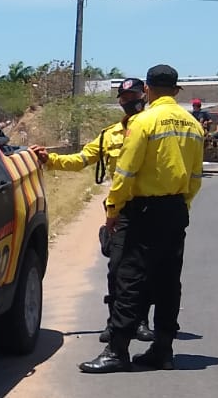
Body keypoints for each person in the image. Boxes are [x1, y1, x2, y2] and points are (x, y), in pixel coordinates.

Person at [80, 63, 205, 374]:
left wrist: (113, 210)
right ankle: (163, 350)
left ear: (147, 89)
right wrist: (181, 205)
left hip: (143, 211)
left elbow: (125, 172)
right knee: (168, 282)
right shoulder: (193, 125)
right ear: (176, 91)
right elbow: (195, 177)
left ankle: (117, 351)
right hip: (175, 210)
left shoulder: (143, 122)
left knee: (129, 280)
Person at [30, 78, 156, 342]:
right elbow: (81, 159)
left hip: (151, 207)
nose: (129, 102)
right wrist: (49, 159)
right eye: (124, 98)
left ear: (143, 96)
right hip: (121, 209)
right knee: (117, 267)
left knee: (146, 268)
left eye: (133, 96)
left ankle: (141, 321)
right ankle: (115, 322)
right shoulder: (109, 135)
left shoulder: (153, 128)